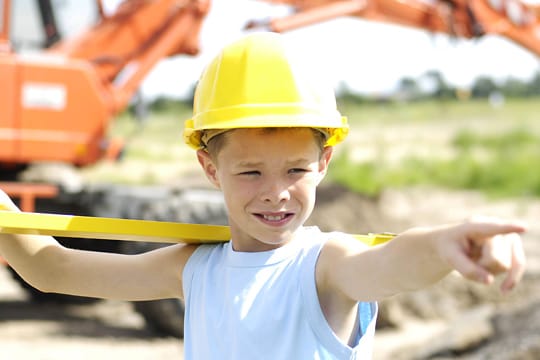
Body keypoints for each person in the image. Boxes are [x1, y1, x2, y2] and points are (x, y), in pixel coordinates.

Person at [0, 32, 527, 359]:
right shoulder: (193, 269)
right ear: (210, 168)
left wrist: (445, 246)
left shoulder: (325, 266)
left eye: (296, 169)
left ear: (324, 163)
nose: (276, 194)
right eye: (250, 172)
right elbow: (52, 269)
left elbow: (393, 262)